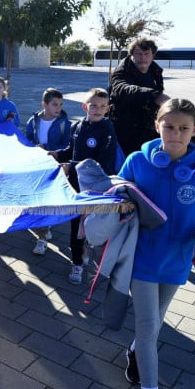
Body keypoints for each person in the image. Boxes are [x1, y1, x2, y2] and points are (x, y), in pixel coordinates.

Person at [116, 98, 195, 389]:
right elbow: (116, 192)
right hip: (142, 259)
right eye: (169, 126)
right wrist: (118, 202)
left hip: (178, 261)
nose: (175, 134)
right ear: (157, 126)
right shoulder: (137, 161)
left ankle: (134, 353)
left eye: (183, 128)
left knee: (155, 323)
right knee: (149, 329)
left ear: (194, 130)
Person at [56, 88, 118, 284]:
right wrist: (54, 154)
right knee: (76, 226)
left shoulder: (108, 130)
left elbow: (104, 164)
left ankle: (98, 263)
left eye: (102, 106)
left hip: (96, 190)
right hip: (76, 189)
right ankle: (76, 264)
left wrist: (71, 165)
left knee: (94, 228)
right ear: (85, 107)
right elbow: (70, 151)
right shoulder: (77, 126)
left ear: (107, 109)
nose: (97, 109)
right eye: (93, 105)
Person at [24, 88, 72, 255]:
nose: (58, 108)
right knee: (39, 200)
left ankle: (43, 236)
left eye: (60, 104)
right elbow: (27, 138)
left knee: (48, 200)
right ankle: (43, 232)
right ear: (44, 104)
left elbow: (68, 145)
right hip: (38, 165)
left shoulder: (65, 123)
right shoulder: (34, 120)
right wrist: (33, 148)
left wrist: (49, 149)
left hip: (55, 166)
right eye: (54, 104)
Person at [109, 39, 169, 155]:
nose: (143, 57)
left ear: (152, 55)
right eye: (139, 53)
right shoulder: (122, 71)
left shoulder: (155, 71)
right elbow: (121, 88)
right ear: (132, 55)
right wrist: (153, 95)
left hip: (148, 126)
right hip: (125, 127)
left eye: (146, 54)